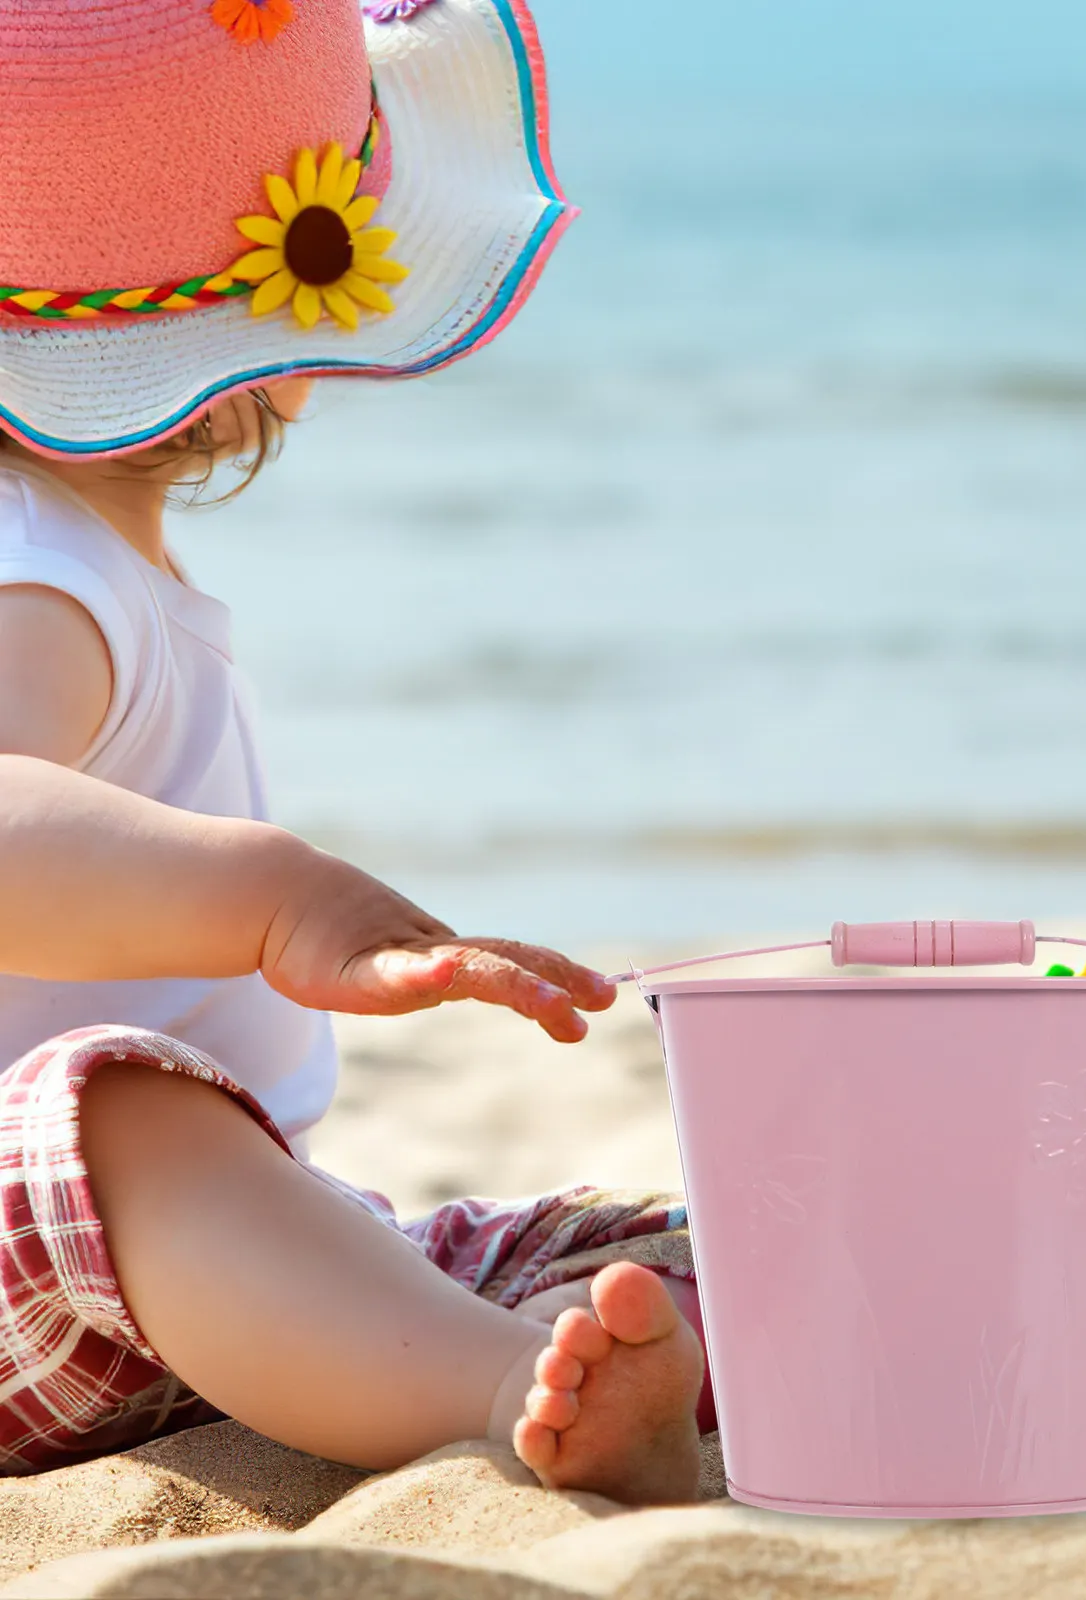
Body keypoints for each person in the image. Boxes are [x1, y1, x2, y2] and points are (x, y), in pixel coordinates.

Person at [0, 0, 708, 1503]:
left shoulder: (87, 569)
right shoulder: (35, 580)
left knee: (625, 1246)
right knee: (122, 1110)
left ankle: (587, 1348)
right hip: (43, 1243)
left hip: (180, 1287)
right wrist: (272, 899)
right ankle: (501, 1384)